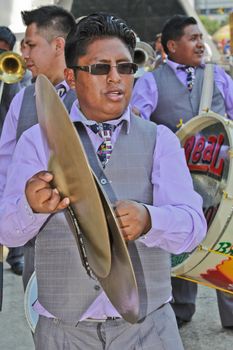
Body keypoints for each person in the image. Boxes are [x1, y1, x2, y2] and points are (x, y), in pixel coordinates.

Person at [0, 13, 206, 349]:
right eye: (100, 68)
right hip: (63, 331)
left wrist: (150, 219)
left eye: (125, 68)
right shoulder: (37, 141)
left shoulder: (161, 140)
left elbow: (193, 228)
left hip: (149, 329)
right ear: (71, 75)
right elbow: (7, 232)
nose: (116, 79)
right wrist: (30, 207)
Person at [131, 14, 233, 329]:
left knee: (226, 243)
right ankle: (180, 310)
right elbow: (139, 122)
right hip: (176, 180)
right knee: (181, 242)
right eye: (193, 38)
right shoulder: (150, 80)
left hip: (221, 178)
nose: (201, 44)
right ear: (171, 45)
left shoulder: (219, 76)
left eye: (200, 38)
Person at [0, 5, 76, 289]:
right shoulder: (22, 100)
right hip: (34, 242)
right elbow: (4, 168)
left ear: (58, 45)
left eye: (30, 45)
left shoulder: (92, 95)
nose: (24, 56)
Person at [0, 26, 24, 276]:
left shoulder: (14, 72)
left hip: (6, 148)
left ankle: (15, 255)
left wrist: (7, 79)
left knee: (11, 198)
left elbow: (13, 107)